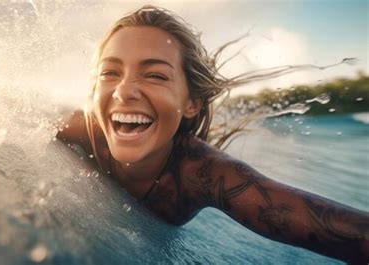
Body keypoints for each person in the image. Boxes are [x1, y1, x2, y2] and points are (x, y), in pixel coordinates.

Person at [58, 5, 369, 264]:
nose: (124, 90)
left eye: (155, 75)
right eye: (110, 73)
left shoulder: (202, 174)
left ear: (192, 103)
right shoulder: (81, 130)